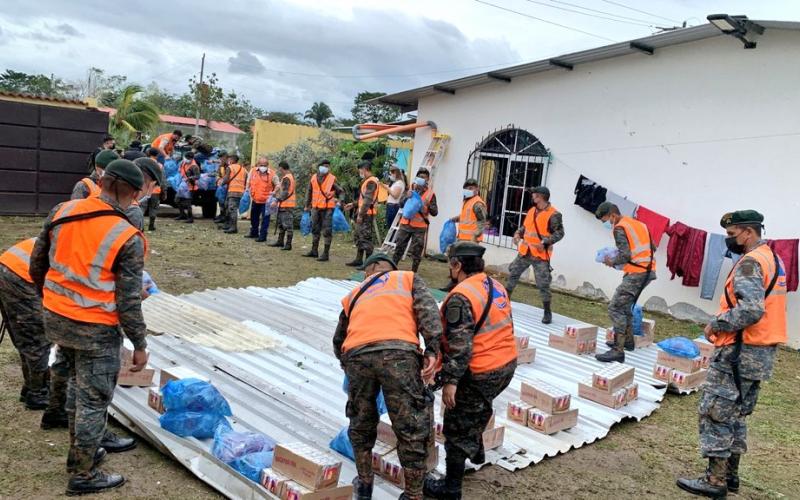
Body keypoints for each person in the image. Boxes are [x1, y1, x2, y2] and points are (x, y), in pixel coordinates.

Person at [30, 159, 149, 495]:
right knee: (93, 400)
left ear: (104, 180)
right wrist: (139, 345)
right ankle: (82, 473)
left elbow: (38, 262)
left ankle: (83, 448)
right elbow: (128, 301)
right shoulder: (127, 235)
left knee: (71, 386)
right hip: (95, 330)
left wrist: (52, 299)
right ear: (132, 192)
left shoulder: (63, 210)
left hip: (56, 318)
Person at [677, 210, 787, 499]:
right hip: (760, 353)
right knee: (736, 414)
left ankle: (715, 481)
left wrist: (717, 324)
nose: (729, 240)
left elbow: (751, 309)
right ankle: (731, 477)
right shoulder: (773, 258)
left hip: (739, 351)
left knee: (716, 413)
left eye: (731, 234)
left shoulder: (750, 262)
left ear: (748, 233)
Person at [332, 253, 441, 500]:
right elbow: (429, 313)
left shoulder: (355, 293)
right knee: (411, 426)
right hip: (399, 354)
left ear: (369, 272)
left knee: (361, 422)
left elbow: (339, 339)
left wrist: (348, 366)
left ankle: (364, 483)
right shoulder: (407, 278)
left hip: (358, 355)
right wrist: (433, 348)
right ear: (391, 269)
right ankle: (413, 494)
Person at [425, 242, 517, 500]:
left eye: (450, 265)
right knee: (477, 408)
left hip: (482, 370)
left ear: (457, 265)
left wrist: (451, 381)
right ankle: (475, 449)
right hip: (506, 364)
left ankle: (451, 488)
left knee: (455, 425)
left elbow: (461, 345)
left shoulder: (461, 297)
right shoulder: (495, 286)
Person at [594, 201, 656, 362]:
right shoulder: (638, 224)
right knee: (625, 306)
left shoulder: (620, 227)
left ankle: (618, 350)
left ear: (613, 215)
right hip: (647, 270)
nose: (607, 224)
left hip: (638, 272)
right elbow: (652, 247)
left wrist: (611, 261)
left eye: (606, 221)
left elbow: (625, 255)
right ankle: (628, 342)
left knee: (615, 307)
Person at [0, 237, 51, 410]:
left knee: (25, 336)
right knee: (37, 338)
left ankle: (30, 387)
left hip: (10, 266)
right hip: (21, 274)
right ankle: (37, 394)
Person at [506, 186, 565, 323]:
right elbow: (526, 227)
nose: (532, 196)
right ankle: (505, 301)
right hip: (525, 251)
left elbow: (560, 233)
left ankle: (547, 312)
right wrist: (517, 234)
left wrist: (545, 242)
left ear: (540, 197)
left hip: (540, 256)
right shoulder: (532, 210)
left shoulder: (554, 214)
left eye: (534, 195)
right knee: (513, 274)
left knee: (543, 284)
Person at [393, 168, 438, 273]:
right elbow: (400, 204)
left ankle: (414, 272)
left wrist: (427, 205)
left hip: (419, 227)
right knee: (399, 247)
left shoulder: (430, 194)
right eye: (419, 177)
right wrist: (406, 198)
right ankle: (393, 267)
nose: (421, 179)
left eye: (424, 177)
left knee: (417, 251)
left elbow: (435, 212)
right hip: (405, 224)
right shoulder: (410, 190)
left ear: (428, 179)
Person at [303, 160, 343, 262]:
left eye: (327, 166)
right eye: (324, 166)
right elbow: (309, 192)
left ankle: (325, 253)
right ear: (319, 167)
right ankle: (314, 250)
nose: (326, 168)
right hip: (315, 208)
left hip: (327, 208)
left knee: (327, 230)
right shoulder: (313, 178)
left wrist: (340, 201)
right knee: (315, 229)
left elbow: (341, 192)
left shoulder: (332, 179)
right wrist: (307, 205)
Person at [345, 160, 379, 267]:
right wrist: (354, 204)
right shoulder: (367, 181)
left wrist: (360, 215)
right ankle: (359, 259)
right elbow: (363, 199)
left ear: (364, 169)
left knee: (366, 238)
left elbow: (368, 200)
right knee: (359, 236)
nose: (359, 172)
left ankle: (368, 264)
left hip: (366, 214)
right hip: (363, 212)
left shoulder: (371, 182)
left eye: (360, 170)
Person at [246, 156, 278, 242]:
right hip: (255, 199)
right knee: (254, 218)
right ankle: (254, 233)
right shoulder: (253, 171)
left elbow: (278, 185)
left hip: (267, 201)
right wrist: (246, 191)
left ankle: (263, 236)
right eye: (261, 164)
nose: (262, 166)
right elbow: (248, 182)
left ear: (267, 165)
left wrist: (274, 193)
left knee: (265, 219)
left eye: (264, 165)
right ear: (258, 164)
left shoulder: (272, 173)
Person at [270, 161, 295, 251]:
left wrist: (276, 200)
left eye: (279, 168)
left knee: (288, 226)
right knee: (281, 224)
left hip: (287, 205)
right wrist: (275, 194)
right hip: (284, 204)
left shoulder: (287, 178)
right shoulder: (288, 177)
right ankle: (280, 241)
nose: (279, 170)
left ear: (281, 168)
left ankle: (288, 244)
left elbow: (286, 192)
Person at [452, 178, 487, 243]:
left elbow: (482, 222)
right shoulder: (467, 201)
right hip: (462, 239)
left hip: (471, 241)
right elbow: (467, 217)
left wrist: (475, 236)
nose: (468, 190)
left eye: (471, 188)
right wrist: (455, 219)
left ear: (477, 189)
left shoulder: (477, 203)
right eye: (466, 189)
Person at [220, 154, 246, 234]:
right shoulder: (243, 169)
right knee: (230, 207)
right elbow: (246, 180)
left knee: (232, 209)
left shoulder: (230, 167)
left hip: (233, 191)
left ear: (232, 160)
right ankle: (228, 225)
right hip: (240, 191)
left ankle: (233, 228)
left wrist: (221, 183)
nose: (228, 161)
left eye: (229, 159)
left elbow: (226, 178)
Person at [175, 151, 200, 223]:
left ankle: (190, 218)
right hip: (183, 185)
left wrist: (190, 178)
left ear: (191, 159)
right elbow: (180, 170)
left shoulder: (194, 166)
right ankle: (182, 214)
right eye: (185, 157)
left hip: (190, 186)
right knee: (177, 200)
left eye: (187, 158)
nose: (185, 159)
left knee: (188, 203)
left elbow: (197, 176)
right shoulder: (183, 162)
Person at [145, 148, 165, 231]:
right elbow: (162, 179)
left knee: (141, 208)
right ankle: (151, 225)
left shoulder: (143, 163)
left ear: (148, 153)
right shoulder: (160, 165)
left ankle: (139, 226)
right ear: (157, 155)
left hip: (144, 190)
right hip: (155, 190)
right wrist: (165, 190)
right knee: (153, 208)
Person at [383, 164, 407, 230]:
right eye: (390, 172)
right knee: (389, 226)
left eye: (393, 172)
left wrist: (387, 188)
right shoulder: (395, 183)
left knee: (391, 228)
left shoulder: (399, 183)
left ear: (397, 173)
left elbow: (395, 195)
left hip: (393, 207)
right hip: (390, 206)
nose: (391, 174)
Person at [213, 151, 230, 224]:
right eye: (220, 158)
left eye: (221, 158)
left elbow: (230, 176)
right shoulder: (221, 166)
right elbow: (217, 173)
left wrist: (223, 181)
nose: (220, 159)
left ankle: (225, 217)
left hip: (228, 187)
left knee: (226, 203)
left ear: (225, 157)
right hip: (221, 186)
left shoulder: (230, 165)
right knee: (221, 202)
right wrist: (218, 179)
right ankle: (222, 215)